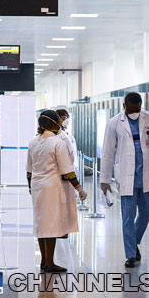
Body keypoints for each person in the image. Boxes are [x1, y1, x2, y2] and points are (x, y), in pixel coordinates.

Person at [100, 92, 149, 268]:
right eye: (131, 109)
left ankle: (134, 240)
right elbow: (108, 152)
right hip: (126, 177)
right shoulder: (114, 123)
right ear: (124, 106)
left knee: (147, 212)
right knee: (128, 217)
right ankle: (130, 254)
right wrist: (105, 179)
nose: (135, 112)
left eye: (138, 109)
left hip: (146, 175)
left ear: (141, 105)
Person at [27, 110, 87, 273]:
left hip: (38, 186)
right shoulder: (57, 143)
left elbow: (29, 170)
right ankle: (49, 263)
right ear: (54, 123)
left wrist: (31, 187)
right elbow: (67, 170)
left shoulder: (33, 142)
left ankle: (44, 262)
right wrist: (79, 188)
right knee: (51, 225)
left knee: (42, 224)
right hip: (53, 187)